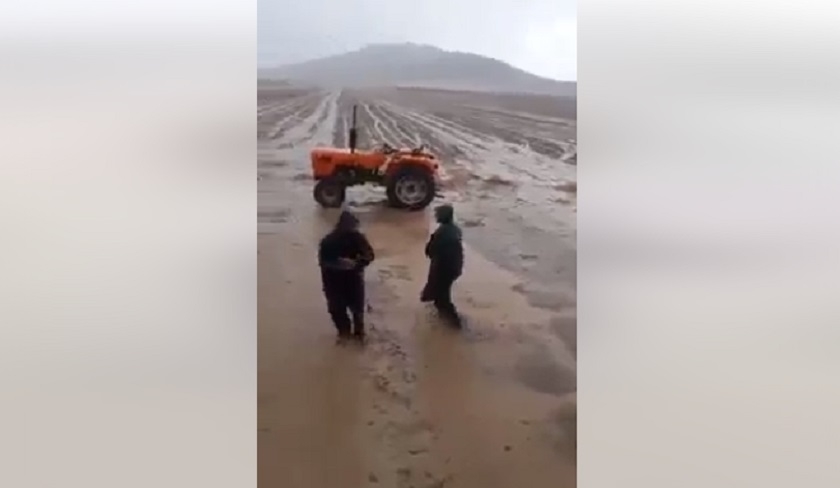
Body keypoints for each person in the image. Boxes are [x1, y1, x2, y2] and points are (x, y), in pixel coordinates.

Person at [318, 210, 375, 342]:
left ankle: (353, 336)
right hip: (335, 281)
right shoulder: (328, 241)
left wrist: (356, 263)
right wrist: (340, 264)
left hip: (350, 279)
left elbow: (369, 255)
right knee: (339, 310)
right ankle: (346, 335)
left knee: (354, 312)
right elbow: (323, 262)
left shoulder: (357, 238)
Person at [421, 204, 464, 327]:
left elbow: (430, 250)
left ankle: (455, 324)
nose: (435, 216)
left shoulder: (442, 233)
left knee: (442, 297)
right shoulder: (455, 230)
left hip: (443, 269)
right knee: (441, 293)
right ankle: (444, 317)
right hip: (453, 267)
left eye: (437, 214)